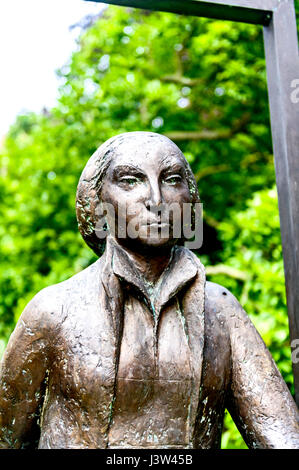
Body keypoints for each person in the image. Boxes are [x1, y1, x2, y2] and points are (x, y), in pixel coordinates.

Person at [0, 132, 298, 449]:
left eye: (171, 180)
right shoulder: (54, 311)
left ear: (190, 200)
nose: (156, 199)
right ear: (98, 202)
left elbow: (282, 437)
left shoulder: (221, 311)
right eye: (130, 181)